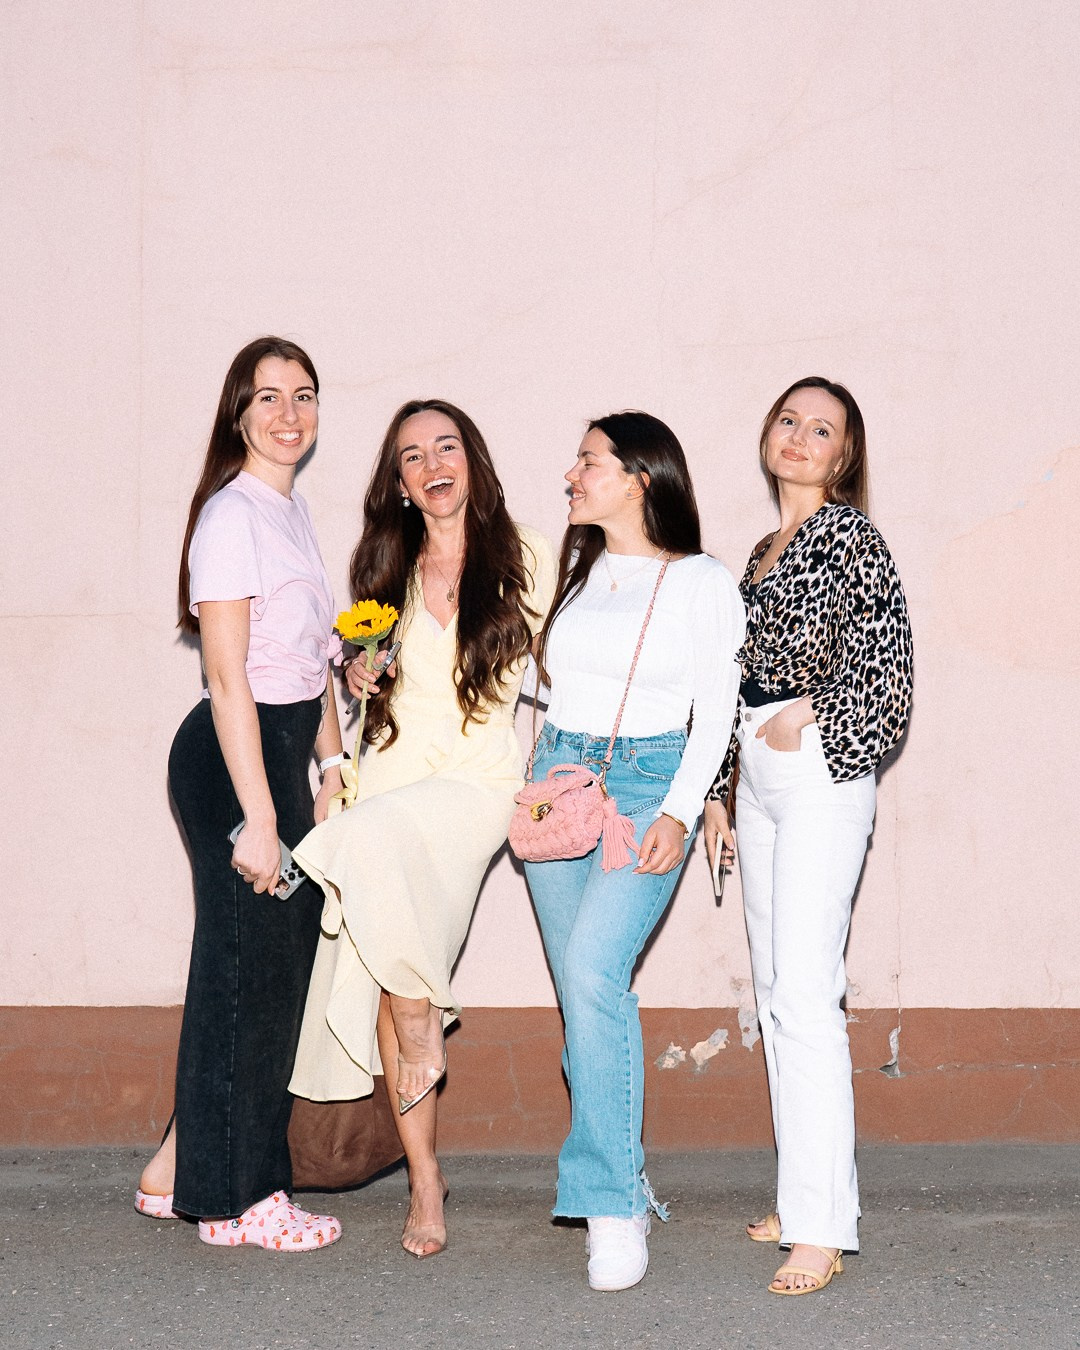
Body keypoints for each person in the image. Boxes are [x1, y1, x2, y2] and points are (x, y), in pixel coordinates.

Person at [288, 399, 556, 1259]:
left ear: (472, 462)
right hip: (390, 776)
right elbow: (354, 678)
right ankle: (425, 1180)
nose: (433, 465)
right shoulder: (384, 566)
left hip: (476, 781)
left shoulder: (526, 558)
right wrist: (359, 680)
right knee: (392, 971)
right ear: (399, 484)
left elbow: (569, 672)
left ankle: (417, 1029)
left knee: (376, 885)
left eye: (447, 447)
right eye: (413, 456)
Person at [523, 411, 745, 1292]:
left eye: (588, 461)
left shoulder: (700, 582)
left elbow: (716, 711)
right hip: (559, 779)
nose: (571, 474)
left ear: (639, 478)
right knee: (583, 996)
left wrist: (683, 813)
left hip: (648, 783)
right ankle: (623, 1170)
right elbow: (543, 689)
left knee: (593, 973)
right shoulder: (578, 571)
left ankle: (611, 1203)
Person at [704, 376, 913, 1295]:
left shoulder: (852, 536)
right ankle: (803, 1199)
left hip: (819, 769)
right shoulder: (761, 552)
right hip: (757, 778)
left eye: (820, 429)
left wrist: (810, 717)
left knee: (806, 997)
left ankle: (824, 1228)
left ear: (844, 454)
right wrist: (720, 789)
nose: (798, 437)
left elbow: (889, 670)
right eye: (788, 420)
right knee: (775, 992)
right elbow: (729, 677)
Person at [135, 337, 346, 1251]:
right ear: (239, 413)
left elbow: (314, 663)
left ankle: (174, 1171)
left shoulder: (290, 511)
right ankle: (236, 1201)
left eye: (303, 395)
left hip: (280, 756)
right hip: (232, 764)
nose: (289, 414)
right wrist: (259, 817)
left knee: (265, 967)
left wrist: (331, 769)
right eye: (268, 397)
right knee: (247, 976)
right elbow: (228, 678)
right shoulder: (230, 516)